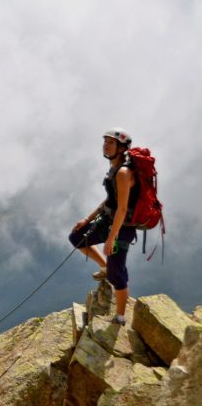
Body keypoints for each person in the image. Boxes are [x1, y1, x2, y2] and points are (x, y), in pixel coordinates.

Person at [69, 128, 138, 326]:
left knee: (118, 274)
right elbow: (110, 200)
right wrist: (87, 219)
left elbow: (123, 208)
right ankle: (105, 266)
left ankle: (121, 317)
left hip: (122, 228)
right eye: (105, 142)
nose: (106, 145)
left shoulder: (123, 172)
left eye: (111, 143)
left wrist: (111, 239)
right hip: (109, 221)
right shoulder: (114, 168)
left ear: (121, 148)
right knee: (76, 238)